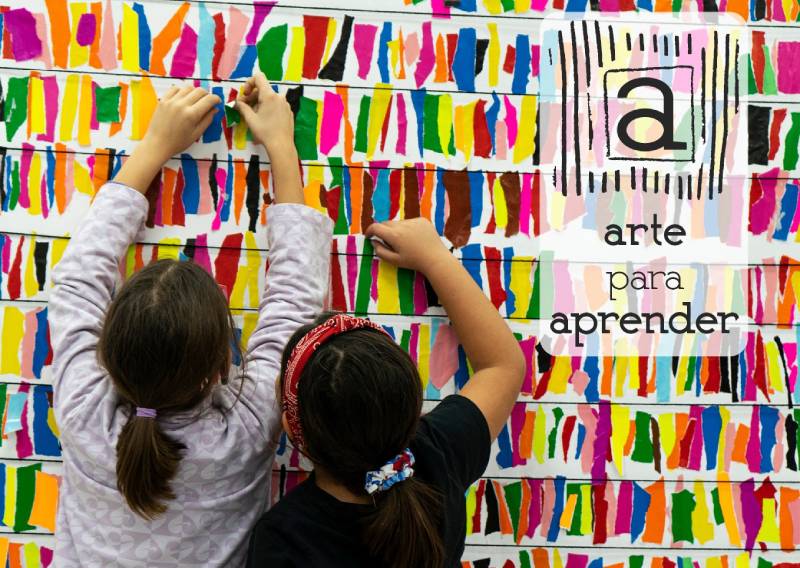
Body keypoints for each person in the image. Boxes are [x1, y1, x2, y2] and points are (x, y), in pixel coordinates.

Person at [49, 73, 333, 566]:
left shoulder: (83, 410)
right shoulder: (243, 431)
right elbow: (294, 302)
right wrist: (282, 148)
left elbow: (76, 280)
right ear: (223, 366)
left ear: (107, 351)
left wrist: (155, 145)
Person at [247, 218, 527, 568]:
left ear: (291, 427)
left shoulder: (284, 539)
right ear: (408, 401)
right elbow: (503, 365)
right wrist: (436, 258)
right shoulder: (437, 455)